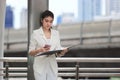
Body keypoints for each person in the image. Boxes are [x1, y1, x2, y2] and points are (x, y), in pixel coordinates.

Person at [29, 10, 68, 80]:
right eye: (46, 21)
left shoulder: (56, 34)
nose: (48, 24)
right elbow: (31, 52)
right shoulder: (35, 34)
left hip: (52, 65)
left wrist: (62, 52)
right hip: (40, 66)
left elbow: (57, 50)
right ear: (42, 20)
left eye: (51, 21)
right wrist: (40, 50)